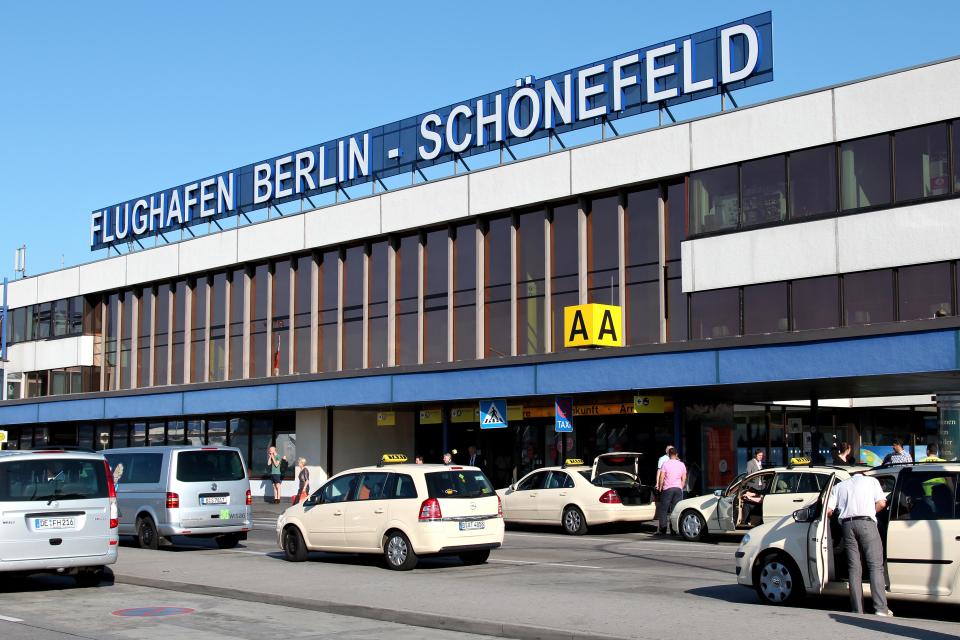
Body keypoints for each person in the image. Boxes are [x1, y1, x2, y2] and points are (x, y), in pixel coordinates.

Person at [827, 473, 892, 616]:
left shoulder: (839, 486)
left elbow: (828, 510)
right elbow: (882, 503)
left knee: (854, 568)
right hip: (867, 523)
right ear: (863, 475)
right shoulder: (872, 481)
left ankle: (857, 609)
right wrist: (870, 513)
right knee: (875, 566)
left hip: (847, 526)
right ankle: (880, 608)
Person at [655, 447, 686, 536]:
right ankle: (673, 530)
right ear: (676, 455)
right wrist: (681, 486)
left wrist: (660, 486)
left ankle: (663, 529)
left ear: (668, 455)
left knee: (664, 509)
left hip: (667, 489)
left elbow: (662, 477)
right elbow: (684, 478)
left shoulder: (665, 464)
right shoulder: (681, 464)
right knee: (675, 510)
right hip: (678, 489)